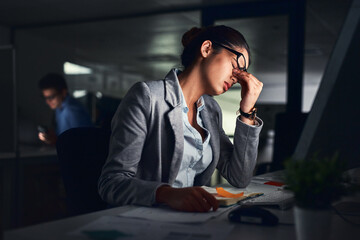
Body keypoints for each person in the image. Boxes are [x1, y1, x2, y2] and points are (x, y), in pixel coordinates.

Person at [98, 25, 263, 212]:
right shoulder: (148, 96)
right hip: (144, 218)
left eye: (242, 73)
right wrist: (166, 194)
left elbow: (240, 176)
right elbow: (111, 182)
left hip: (189, 219)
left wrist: (247, 111)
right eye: (235, 66)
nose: (236, 77)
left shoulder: (210, 110)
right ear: (206, 48)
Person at [38, 73, 93, 145]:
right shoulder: (59, 107)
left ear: (63, 92)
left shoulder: (72, 111)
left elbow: (80, 143)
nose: (47, 102)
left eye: (51, 97)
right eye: (45, 98)